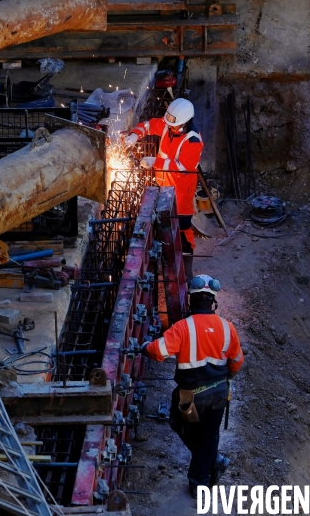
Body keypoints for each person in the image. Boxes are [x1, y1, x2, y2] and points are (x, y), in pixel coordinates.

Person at [141, 274, 244, 497]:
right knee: (209, 435)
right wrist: (229, 377)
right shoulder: (227, 328)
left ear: (191, 300)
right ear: (213, 302)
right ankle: (205, 472)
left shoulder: (182, 328)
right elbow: (237, 361)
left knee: (178, 423)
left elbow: (158, 351)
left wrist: (143, 347)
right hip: (219, 392)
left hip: (190, 396)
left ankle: (203, 475)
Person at [123, 98, 203, 280]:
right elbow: (149, 125)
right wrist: (135, 134)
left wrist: (155, 162)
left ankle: (186, 266)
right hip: (164, 184)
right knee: (162, 221)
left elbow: (181, 167)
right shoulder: (169, 125)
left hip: (182, 191)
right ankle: (165, 258)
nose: (169, 128)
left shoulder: (192, 140)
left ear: (185, 122)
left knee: (182, 227)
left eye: (174, 126)